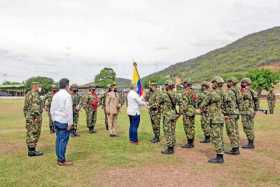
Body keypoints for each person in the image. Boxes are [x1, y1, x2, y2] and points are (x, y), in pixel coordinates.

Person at [200, 76, 225, 163]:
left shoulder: (212, 94)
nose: (212, 84)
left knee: (216, 137)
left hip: (214, 118)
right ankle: (220, 153)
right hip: (221, 117)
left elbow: (203, 104)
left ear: (216, 84)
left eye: (213, 83)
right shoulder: (224, 93)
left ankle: (219, 157)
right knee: (220, 136)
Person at [50, 78, 73, 166]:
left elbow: (52, 108)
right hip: (63, 121)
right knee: (63, 141)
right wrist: (70, 123)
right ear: (67, 85)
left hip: (56, 119)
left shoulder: (56, 95)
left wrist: (53, 119)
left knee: (58, 140)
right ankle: (61, 160)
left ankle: (59, 158)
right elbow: (69, 110)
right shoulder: (67, 96)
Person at [23, 82, 44, 157]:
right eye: (39, 86)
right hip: (34, 118)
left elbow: (25, 108)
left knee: (30, 133)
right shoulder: (35, 94)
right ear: (35, 86)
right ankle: (32, 151)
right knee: (34, 133)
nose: (40, 88)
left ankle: (31, 150)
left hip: (29, 117)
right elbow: (36, 108)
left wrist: (27, 116)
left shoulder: (28, 93)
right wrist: (36, 118)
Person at [159, 82, 180, 155]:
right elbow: (181, 103)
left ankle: (170, 148)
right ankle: (172, 144)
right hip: (173, 114)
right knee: (172, 130)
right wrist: (179, 114)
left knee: (167, 131)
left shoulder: (164, 95)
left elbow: (159, 102)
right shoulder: (176, 94)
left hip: (167, 115)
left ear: (168, 87)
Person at [240, 78, 259, 149]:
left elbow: (240, 99)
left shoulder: (245, 91)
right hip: (250, 111)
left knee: (247, 127)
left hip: (246, 112)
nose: (241, 84)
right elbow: (256, 101)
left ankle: (250, 143)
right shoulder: (252, 91)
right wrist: (255, 110)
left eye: (243, 83)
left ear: (246, 83)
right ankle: (250, 142)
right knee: (249, 126)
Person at [179, 79, 197, 148]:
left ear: (187, 84)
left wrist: (181, 111)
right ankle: (191, 142)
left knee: (187, 127)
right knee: (192, 126)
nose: (183, 85)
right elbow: (195, 101)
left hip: (187, 112)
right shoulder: (193, 92)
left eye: (184, 83)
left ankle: (189, 143)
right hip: (192, 110)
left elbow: (184, 104)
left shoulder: (185, 92)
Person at [224, 78, 240, 155]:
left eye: (228, 81)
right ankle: (236, 146)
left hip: (230, 113)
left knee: (231, 130)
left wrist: (225, 113)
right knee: (235, 130)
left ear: (231, 82)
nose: (227, 83)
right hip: (236, 112)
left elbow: (225, 102)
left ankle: (235, 148)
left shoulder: (229, 92)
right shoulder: (237, 90)